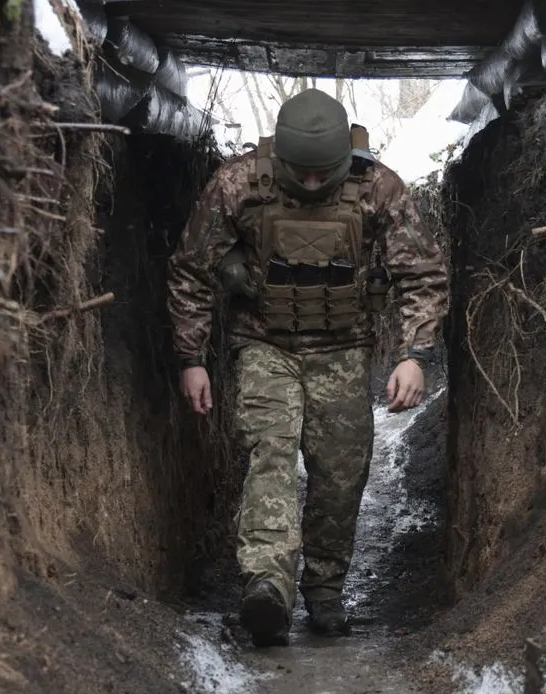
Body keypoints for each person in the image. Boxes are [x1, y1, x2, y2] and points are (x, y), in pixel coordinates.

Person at [166, 88, 449, 647]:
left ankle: (325, 591)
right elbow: (190, 272)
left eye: (325, 175)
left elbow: (421, 274)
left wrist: (414, 356)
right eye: (302, 174)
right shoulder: (239, 184)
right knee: (270, 451)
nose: (314, 185)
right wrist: (191, 358)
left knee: (340, 476)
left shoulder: (378, 187)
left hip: (344, 351)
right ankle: (267, 588)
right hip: (263, 345)